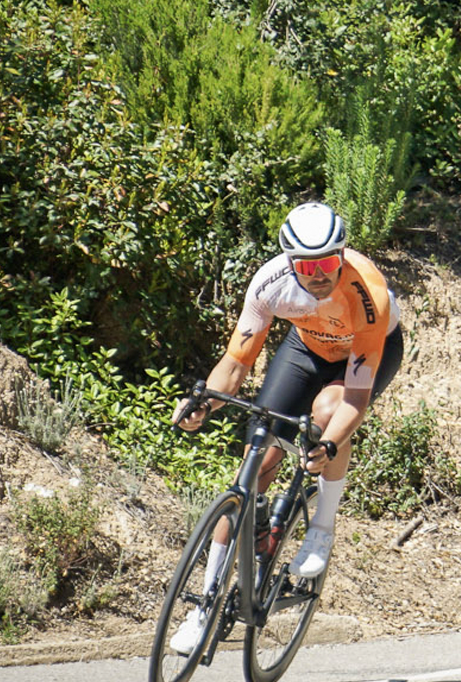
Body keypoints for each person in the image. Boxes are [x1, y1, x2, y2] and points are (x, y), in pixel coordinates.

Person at [167, 202, 405, 653]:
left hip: (364, 352)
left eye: (328, 263)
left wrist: (329, 445)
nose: (319, 275)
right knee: (254, 467)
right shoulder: (270, 283)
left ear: (342, 254)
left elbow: (355, 399)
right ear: (290, 262)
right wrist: (203, 404)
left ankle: (322, 527)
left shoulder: (367, 293)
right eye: (307, 266)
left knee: (327, 413)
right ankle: (203, 608)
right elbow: (235, 363)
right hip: (307, 348)